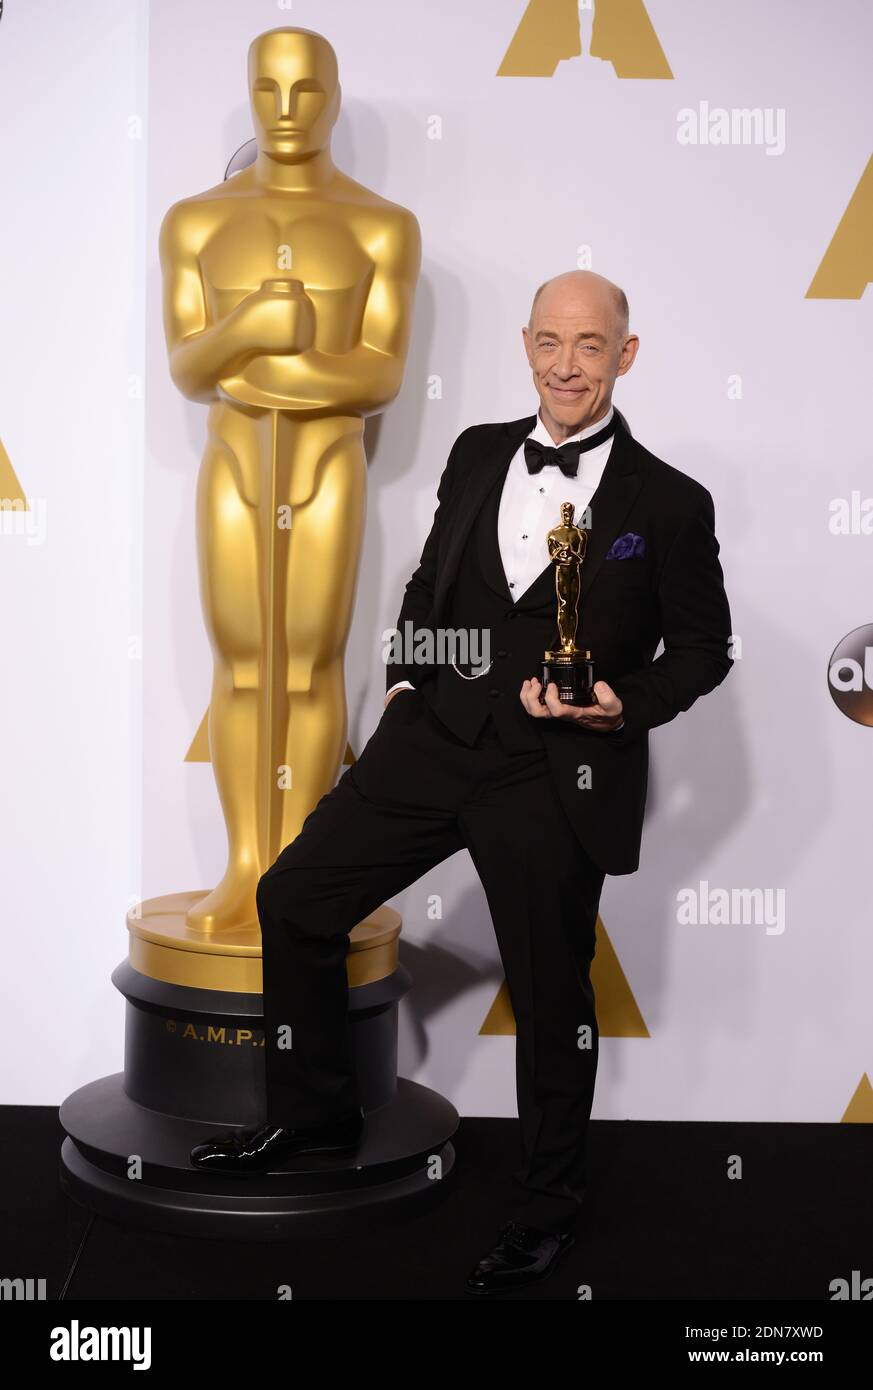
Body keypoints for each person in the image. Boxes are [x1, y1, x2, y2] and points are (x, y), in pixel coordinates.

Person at [190, 269, 734, 1295]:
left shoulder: (669, 502)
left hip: (553, 769)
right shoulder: (480, 450)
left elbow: (705, 650)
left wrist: (620, 700)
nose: (565, 364)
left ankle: (547, 1205)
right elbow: (429, 581)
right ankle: (311, 1120)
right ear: (528, 345)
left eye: (589, 345)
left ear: (626, 355)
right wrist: (403, 682)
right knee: (294, 897)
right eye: (549, 342)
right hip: (433, 740)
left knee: (547, 990)